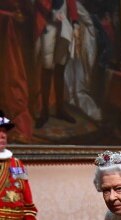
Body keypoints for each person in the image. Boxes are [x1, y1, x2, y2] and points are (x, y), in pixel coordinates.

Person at [34, 0, 81, 128]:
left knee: (60, 65)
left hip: (64, 22)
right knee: (47, 66)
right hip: (48, 22)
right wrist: (52, 15)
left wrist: (75, 23)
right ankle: (45, 112)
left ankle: (60, 109)